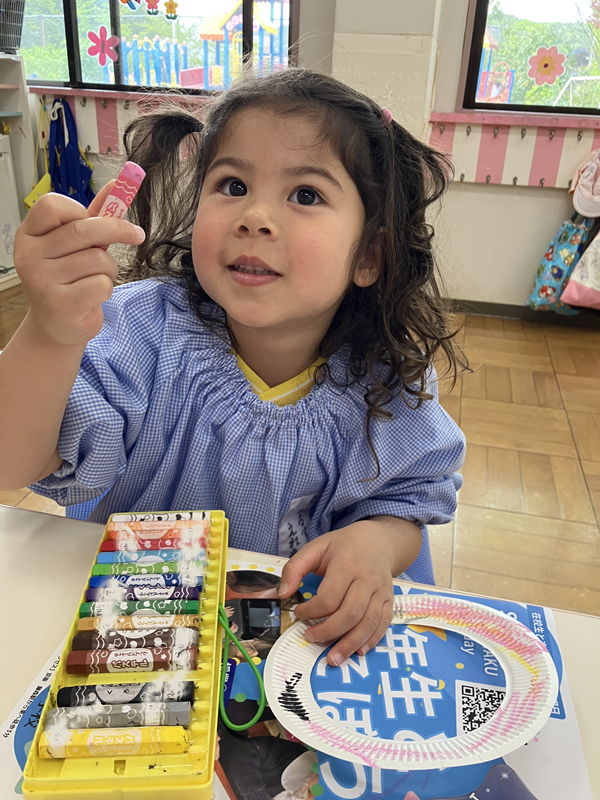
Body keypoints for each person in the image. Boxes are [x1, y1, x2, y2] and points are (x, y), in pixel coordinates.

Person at [0, 69, 465, 666]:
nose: (255, 216)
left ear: (369, 255)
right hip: (141, 641)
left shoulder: (387, 378)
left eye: (305, 195)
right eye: (233, 185)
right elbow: (13, 462)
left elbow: (408, 502)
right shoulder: (137, 333)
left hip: (307, 650)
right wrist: (50, 333)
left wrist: (376, 541)